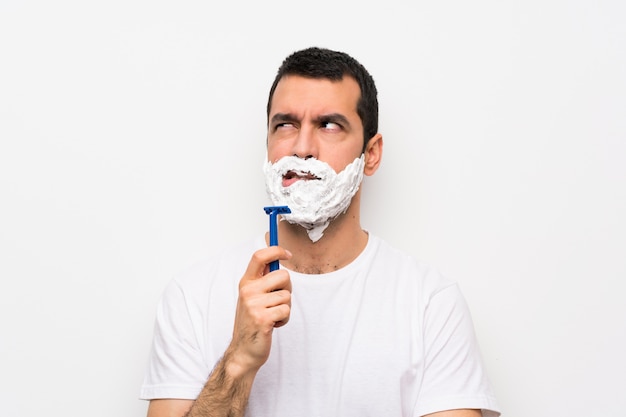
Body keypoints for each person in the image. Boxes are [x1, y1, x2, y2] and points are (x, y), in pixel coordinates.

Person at [140, 47, 500, 417]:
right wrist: (238, 361)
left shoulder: (430, 304)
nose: (302, 148)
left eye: (329, 124)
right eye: (285, 125)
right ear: (267, 146)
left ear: (371, 154)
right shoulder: (193, 297)